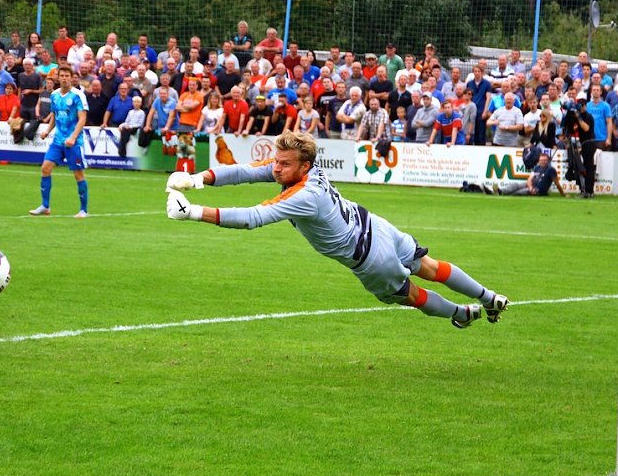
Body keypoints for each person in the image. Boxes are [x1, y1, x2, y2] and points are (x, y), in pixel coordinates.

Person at [165, 131, 509, 328]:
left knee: (413, 296)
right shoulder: (305, 171)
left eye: (284, 164)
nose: (277, 169)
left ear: (305, 165)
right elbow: (241, 172)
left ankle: (461, 314)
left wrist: (193, 212)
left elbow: (251, 218)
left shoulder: (304, 196)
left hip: (370, 259)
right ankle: (488, 296)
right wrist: (197, 180)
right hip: (376, 226)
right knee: (431, 267)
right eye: (277, 161)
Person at [29, 66, 89, 218]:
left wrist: (73, 137)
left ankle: (84, 210)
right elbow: (55, 115)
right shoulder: (54, 95)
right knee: (45, 169)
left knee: (78, 175)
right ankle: (45, 206)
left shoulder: (78, 95)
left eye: (66, 75)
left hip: (73, 142)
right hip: (58, 141)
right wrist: (47, 131)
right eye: (61, 75)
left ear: (71, 77)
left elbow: (82, 118)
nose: (64, 78)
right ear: (58, 78)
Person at [489, 151, 565, 196]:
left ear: (548, 161)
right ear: (539, 160)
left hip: (538, 190)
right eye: (541, 160)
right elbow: (529, 179)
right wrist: (530, 186)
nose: (543, 161)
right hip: (531, 185)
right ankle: (500, 191)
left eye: (545, 160)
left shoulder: (551, 170)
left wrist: (563, 194)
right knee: (516, 185)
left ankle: (502, 194)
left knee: (520, 192)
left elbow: (557, 184)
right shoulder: (537, 167)